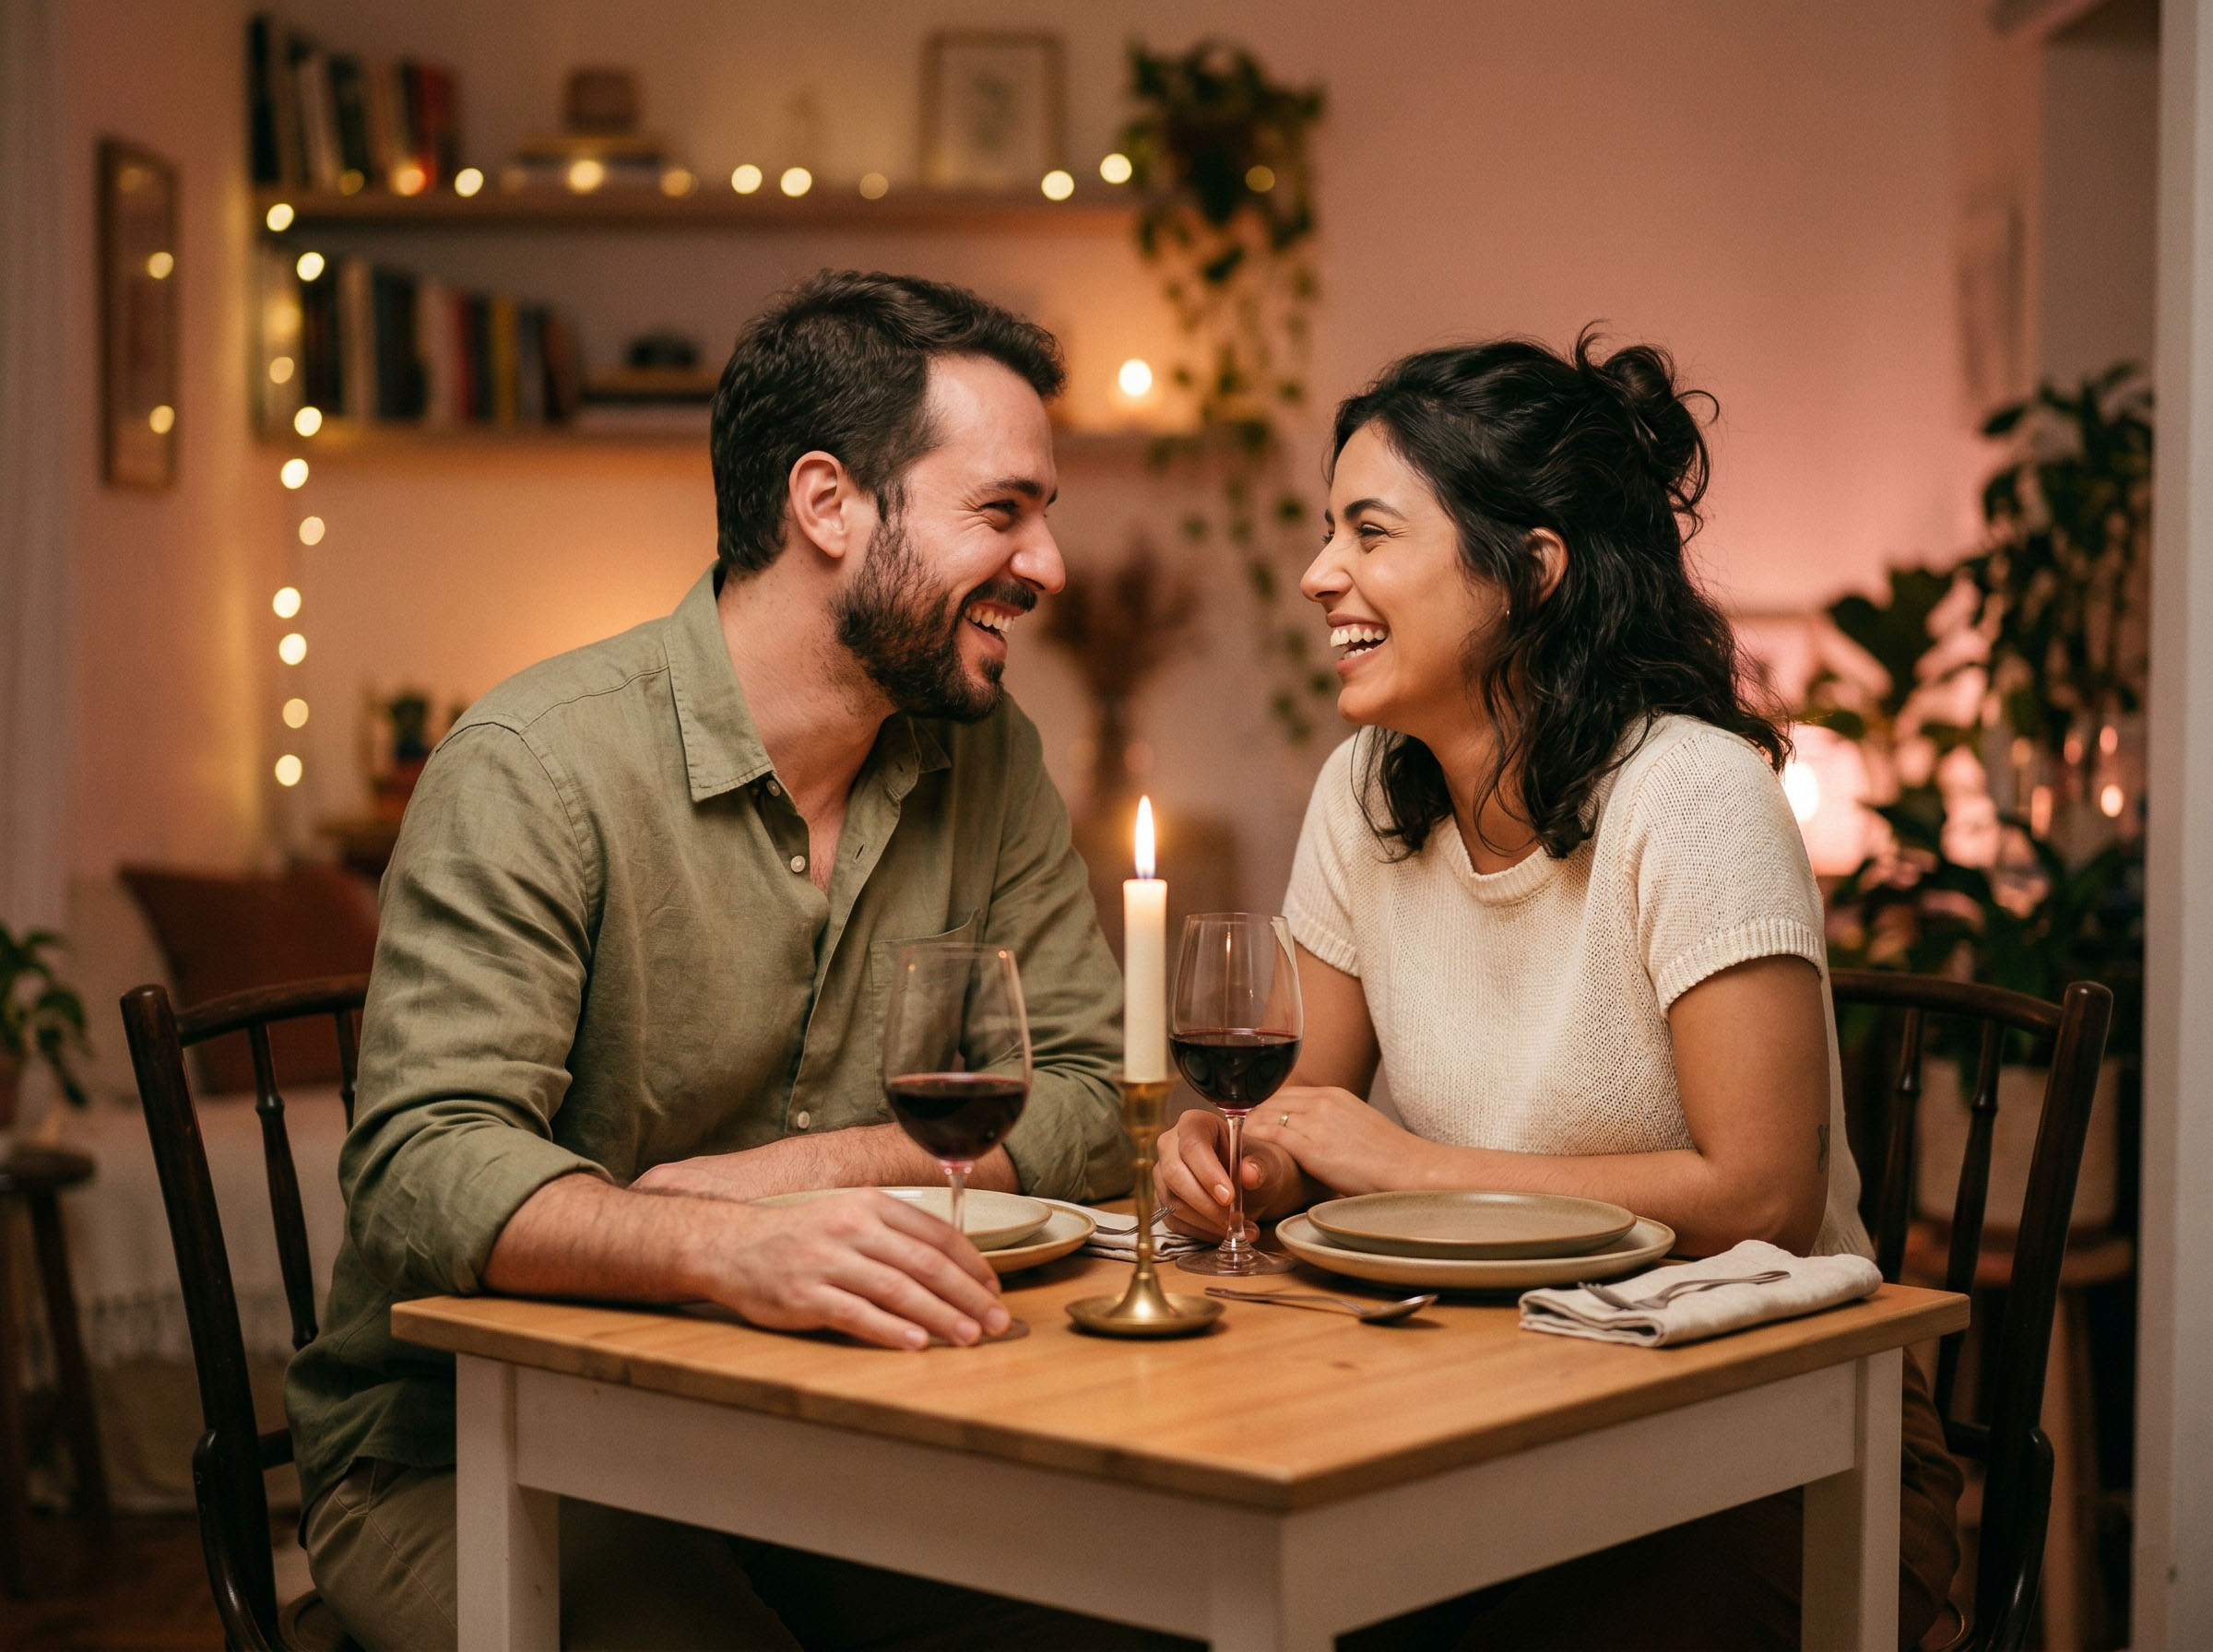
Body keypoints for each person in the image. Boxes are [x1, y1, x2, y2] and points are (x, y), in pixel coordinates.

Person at [286, 271, 1158, 1651]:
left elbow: (1095, 1095)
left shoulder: (990, 757)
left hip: (838, 1432)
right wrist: (719, 1254)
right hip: (465, 1457)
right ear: (826, 504)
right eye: (1003, 510)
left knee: (1128, 1616)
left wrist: (789, 1184)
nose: (1049, 566)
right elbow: (426, 1160)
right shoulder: (536, 768)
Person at [1157, 333, 1963, 1650]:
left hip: (1770, 1434)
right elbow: (1305, 1122)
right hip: (1473, 1400)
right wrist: (1235, 1158)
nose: (1319, 576)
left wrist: (1409, 1170)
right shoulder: (1367, 789)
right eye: (1324, 533)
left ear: (1532, 571)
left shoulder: (1692, 793)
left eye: (1369, 533)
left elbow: (1761, 1196)